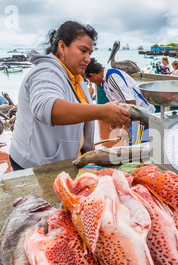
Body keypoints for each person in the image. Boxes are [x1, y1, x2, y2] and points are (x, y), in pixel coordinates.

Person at [9, 21, 130, 170]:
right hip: (34, 166)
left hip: (66, 161)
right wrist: (102, 112)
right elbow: (47, 109)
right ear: (62, 47)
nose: (88, 59)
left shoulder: (77, 78)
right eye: (83, 50)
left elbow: (81, 116)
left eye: (90, 53)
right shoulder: (46, 72)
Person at [85, 58, 155, 147]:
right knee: (133, 146)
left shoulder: (113, 77)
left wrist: (126, 126)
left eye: (89, 80)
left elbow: (131, 102)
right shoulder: (104, 82)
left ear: (92, 75)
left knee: (137, 148)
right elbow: (116, 103)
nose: (91, 82)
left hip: (141, 116)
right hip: (134, 117)